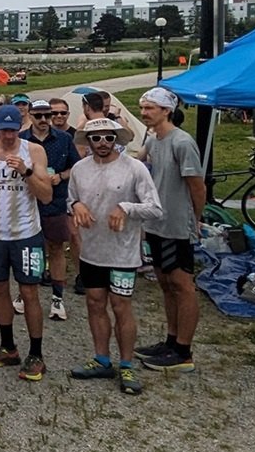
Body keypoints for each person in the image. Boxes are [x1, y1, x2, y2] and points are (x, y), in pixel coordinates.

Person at [67, 118, 162, 396]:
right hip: (92, 250)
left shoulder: (134, 168)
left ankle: (127, 363)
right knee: (95, 303)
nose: (103, 144)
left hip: (122, 253)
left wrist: (125, 207)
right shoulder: (79, 169)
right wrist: (76, 205)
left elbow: (154, 208)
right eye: (96, 138)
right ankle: (101, 359)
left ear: (117, 139)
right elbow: (70, 198)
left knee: (121, 305)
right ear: (89, 141)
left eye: (109, 138)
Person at [0, 104, 52, 381]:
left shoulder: (33, 151)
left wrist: (27, 172)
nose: (8, 136)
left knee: (29, 292)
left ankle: (36, 353)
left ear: (20, 127)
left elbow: (45, 196)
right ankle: (8, 346)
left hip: (25, 233)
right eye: (3, 130)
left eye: (13, 130)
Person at [135, 86, 204, 373]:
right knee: (165, 282)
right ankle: (171, 340)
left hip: (177, 224)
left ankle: (184, 352)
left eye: (150, 108)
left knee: (182, 284)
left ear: (166, 110)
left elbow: (197, 186)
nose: (144, 113)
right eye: (143, 108)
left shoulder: (182, 142)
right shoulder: (154, 140)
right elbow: (137, 163)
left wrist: (195, 219)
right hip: (156, 222)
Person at [20, 99, 80, 320]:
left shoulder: (64, 139)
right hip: (27, 202)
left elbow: (76, 165)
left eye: (48, 115)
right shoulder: (22, 140)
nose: (44, 120)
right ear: (31, 116)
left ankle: (57, 297)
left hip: (55, 201)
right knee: (28, 250)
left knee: (56, 247)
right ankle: (24, 293)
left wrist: (61, 176)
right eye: (39, 116)